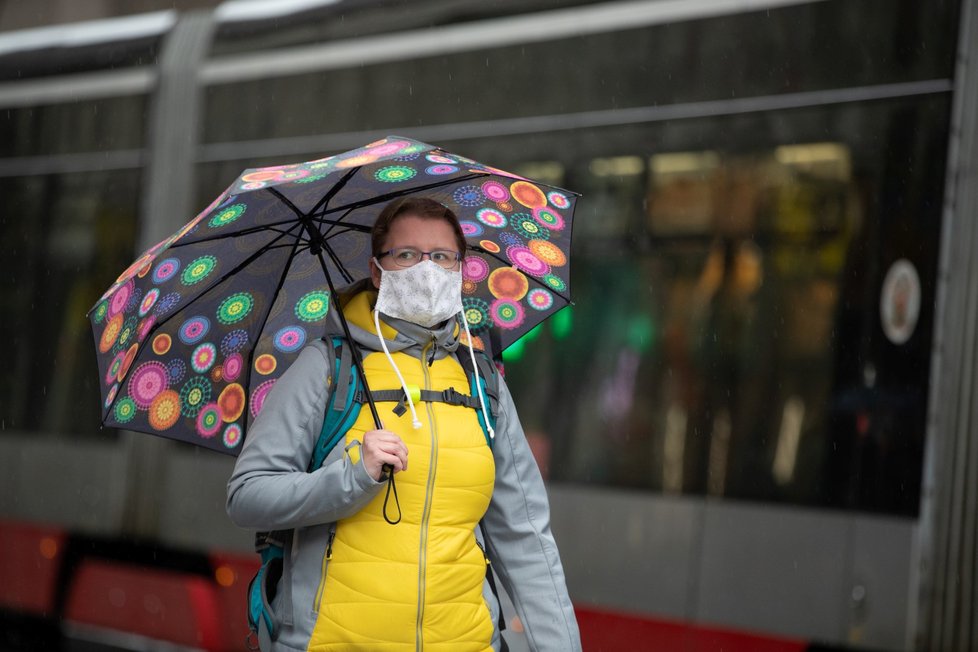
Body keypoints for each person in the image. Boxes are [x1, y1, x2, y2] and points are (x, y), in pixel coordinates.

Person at [227, 197, 581, 651]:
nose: (426, 269)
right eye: (407, 255)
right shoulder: (327, 369)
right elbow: (247, 496)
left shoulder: (482, 380)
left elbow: (526, 538)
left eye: (441, 257)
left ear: (460, 269)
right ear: (378, 271)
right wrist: (351, 479)